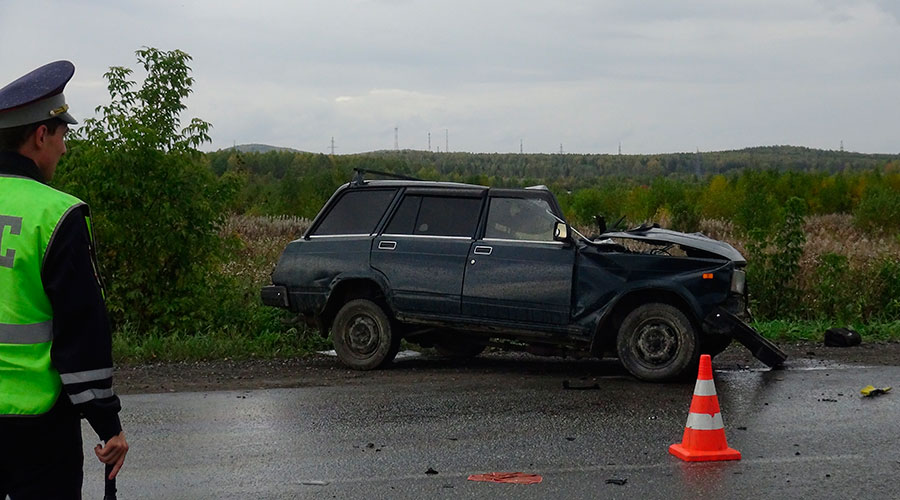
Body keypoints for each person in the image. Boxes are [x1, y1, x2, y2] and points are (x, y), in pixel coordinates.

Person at [0, 61, 128, 498]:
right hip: (37, 425)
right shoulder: (58, 215)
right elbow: (82, 334)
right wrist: (107, 425)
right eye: (62, 135)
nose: (64, 149)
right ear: (40, 136)